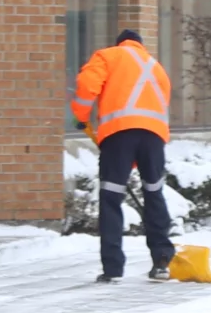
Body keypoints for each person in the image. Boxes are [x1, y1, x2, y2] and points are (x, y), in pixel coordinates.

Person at [70, 29, 176, 282]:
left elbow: (87, 86)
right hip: (153, 137)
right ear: (139, 45)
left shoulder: (108, 56)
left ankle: (113, 268)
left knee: (111, 198)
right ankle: (162, 261)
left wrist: (80, 117)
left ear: (120, 43)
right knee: (154, 193)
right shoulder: (156, 67)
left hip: (118, 135)